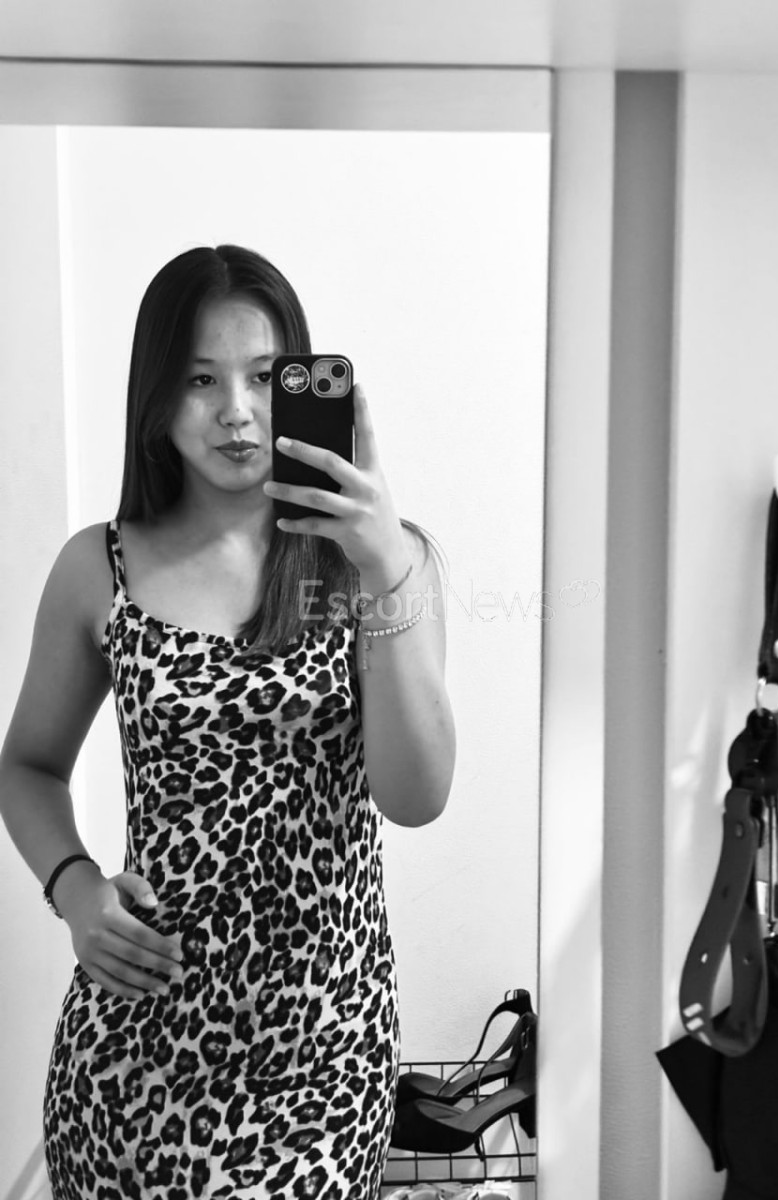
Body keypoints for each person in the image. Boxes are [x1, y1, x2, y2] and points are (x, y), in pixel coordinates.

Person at [0, 244, 456, 1200]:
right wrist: (75, 891)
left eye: (263, 375)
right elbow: (27, 765)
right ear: (156, 398)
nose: (237, 411)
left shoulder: (384, 563)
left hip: (322, 1054)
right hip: (131, 1053)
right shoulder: (98, 568)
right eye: (201, 378)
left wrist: (384, 569)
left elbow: (416, 797)